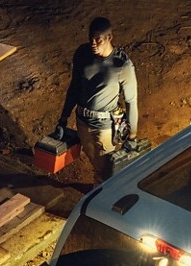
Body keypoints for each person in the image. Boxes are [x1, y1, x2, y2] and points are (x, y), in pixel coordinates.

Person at [58, 16, 139, 185]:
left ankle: (102, 197)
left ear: (109, 37)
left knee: (106, 168)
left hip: (104, 128)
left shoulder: (122, 66)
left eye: (98, 39)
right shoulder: (82, 54)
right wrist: (63, 118)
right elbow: (74, 87)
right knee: (95, 162)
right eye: (91, 38)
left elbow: (131, 101)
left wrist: (132, 136)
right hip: (82, 121)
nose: (93, 43)